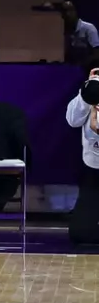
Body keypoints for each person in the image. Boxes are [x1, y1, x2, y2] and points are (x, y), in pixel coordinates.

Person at [65, 70, 99, 249]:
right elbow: (73, 120)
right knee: (81, 233)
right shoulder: (93, 86)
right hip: (93, 165)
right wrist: (85, 98)